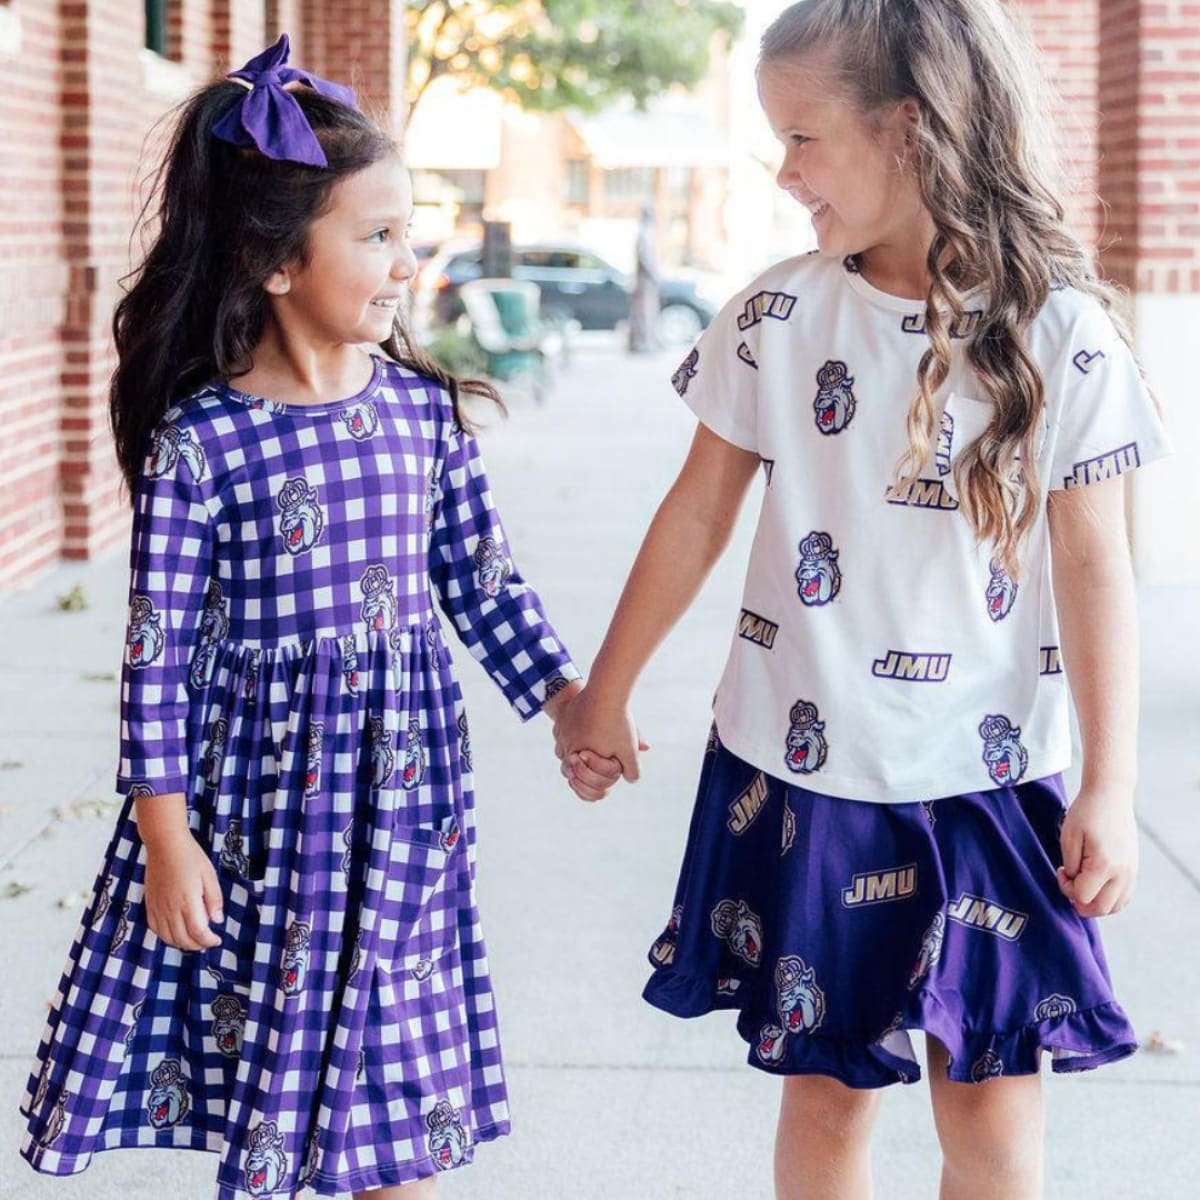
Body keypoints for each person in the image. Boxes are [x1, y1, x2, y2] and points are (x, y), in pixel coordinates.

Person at [554, 1, 1171, 1196]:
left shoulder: (1064, 335)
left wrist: (1112, 780)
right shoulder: (777, 317)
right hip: (812, 773)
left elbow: (1098, 569)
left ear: (909, 129)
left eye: (802, 138)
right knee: (829, 1096)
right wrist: (605, 690)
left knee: (991, 1110)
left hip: (990, 781)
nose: (783, 173)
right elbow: (696, 512)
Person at [18, 36, 618, 1200]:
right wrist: (165, 835)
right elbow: (155, 655)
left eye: (408, 232)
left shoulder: (423, 417)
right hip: (256, 818)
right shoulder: (204, 441)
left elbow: (484, 582)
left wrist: (567, 700)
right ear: (276, 261)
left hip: (401, 809)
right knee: (277, 1088)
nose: (408, 261)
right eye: (378, 235)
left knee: (396, 1094)